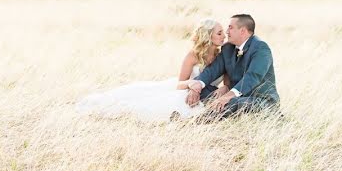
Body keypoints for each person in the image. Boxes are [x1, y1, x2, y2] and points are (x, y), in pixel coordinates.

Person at [76, 19, 228, 122]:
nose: (224, 36)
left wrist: (225, 88)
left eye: (223, 32)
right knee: (147, 107)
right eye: (219, 33)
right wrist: (193, 85)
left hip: (207, 95)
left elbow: (227, 83)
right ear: (208, 36)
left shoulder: (224, 56)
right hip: (184, 91)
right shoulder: (193, 56)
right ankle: (107, 108)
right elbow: (179, 84)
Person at [186, 13, 279, 120]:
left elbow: (253, 76)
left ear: (242, 31)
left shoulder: (261, 48)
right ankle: (200, 112)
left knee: (234, 102)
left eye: (230, 28)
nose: (226, 32)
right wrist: (197, 85)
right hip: (236, 96)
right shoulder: (227, 48)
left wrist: (228, 96)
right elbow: (212, 70)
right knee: (204, 90)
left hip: (261, 99)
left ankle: (193, 121)